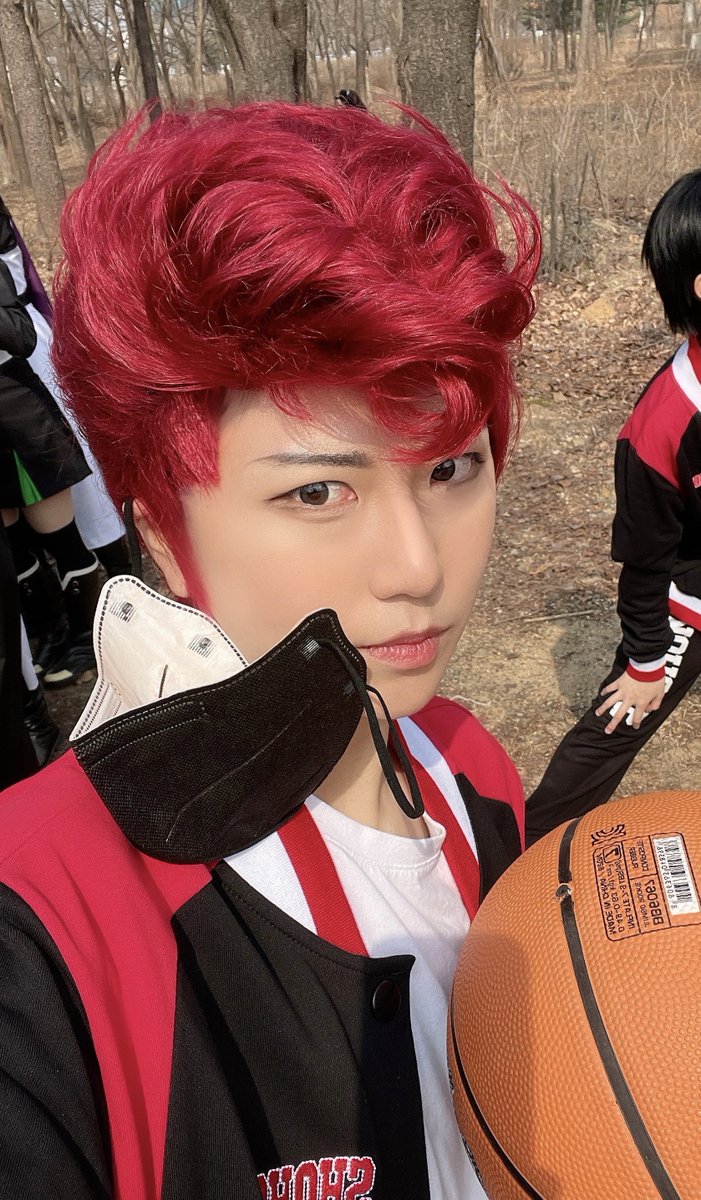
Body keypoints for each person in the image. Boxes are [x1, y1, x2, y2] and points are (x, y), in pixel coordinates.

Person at [0, 101, 539, 1199]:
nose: (416, 566)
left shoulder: (468, 766)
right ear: (160, 527)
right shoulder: (41, 915)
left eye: (450, 468)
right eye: (318, 491)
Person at [527, 169, 701, 845]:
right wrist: (645, 661)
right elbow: (646, 561)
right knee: (620, 720)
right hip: (686, 594)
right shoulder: (664, 423)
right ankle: (516, 864)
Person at [0, 196, 132, 687]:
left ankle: (88, 636)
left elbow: (18, 327)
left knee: (61, 527)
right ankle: (53, 632)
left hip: (16, 396)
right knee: (14, 538)